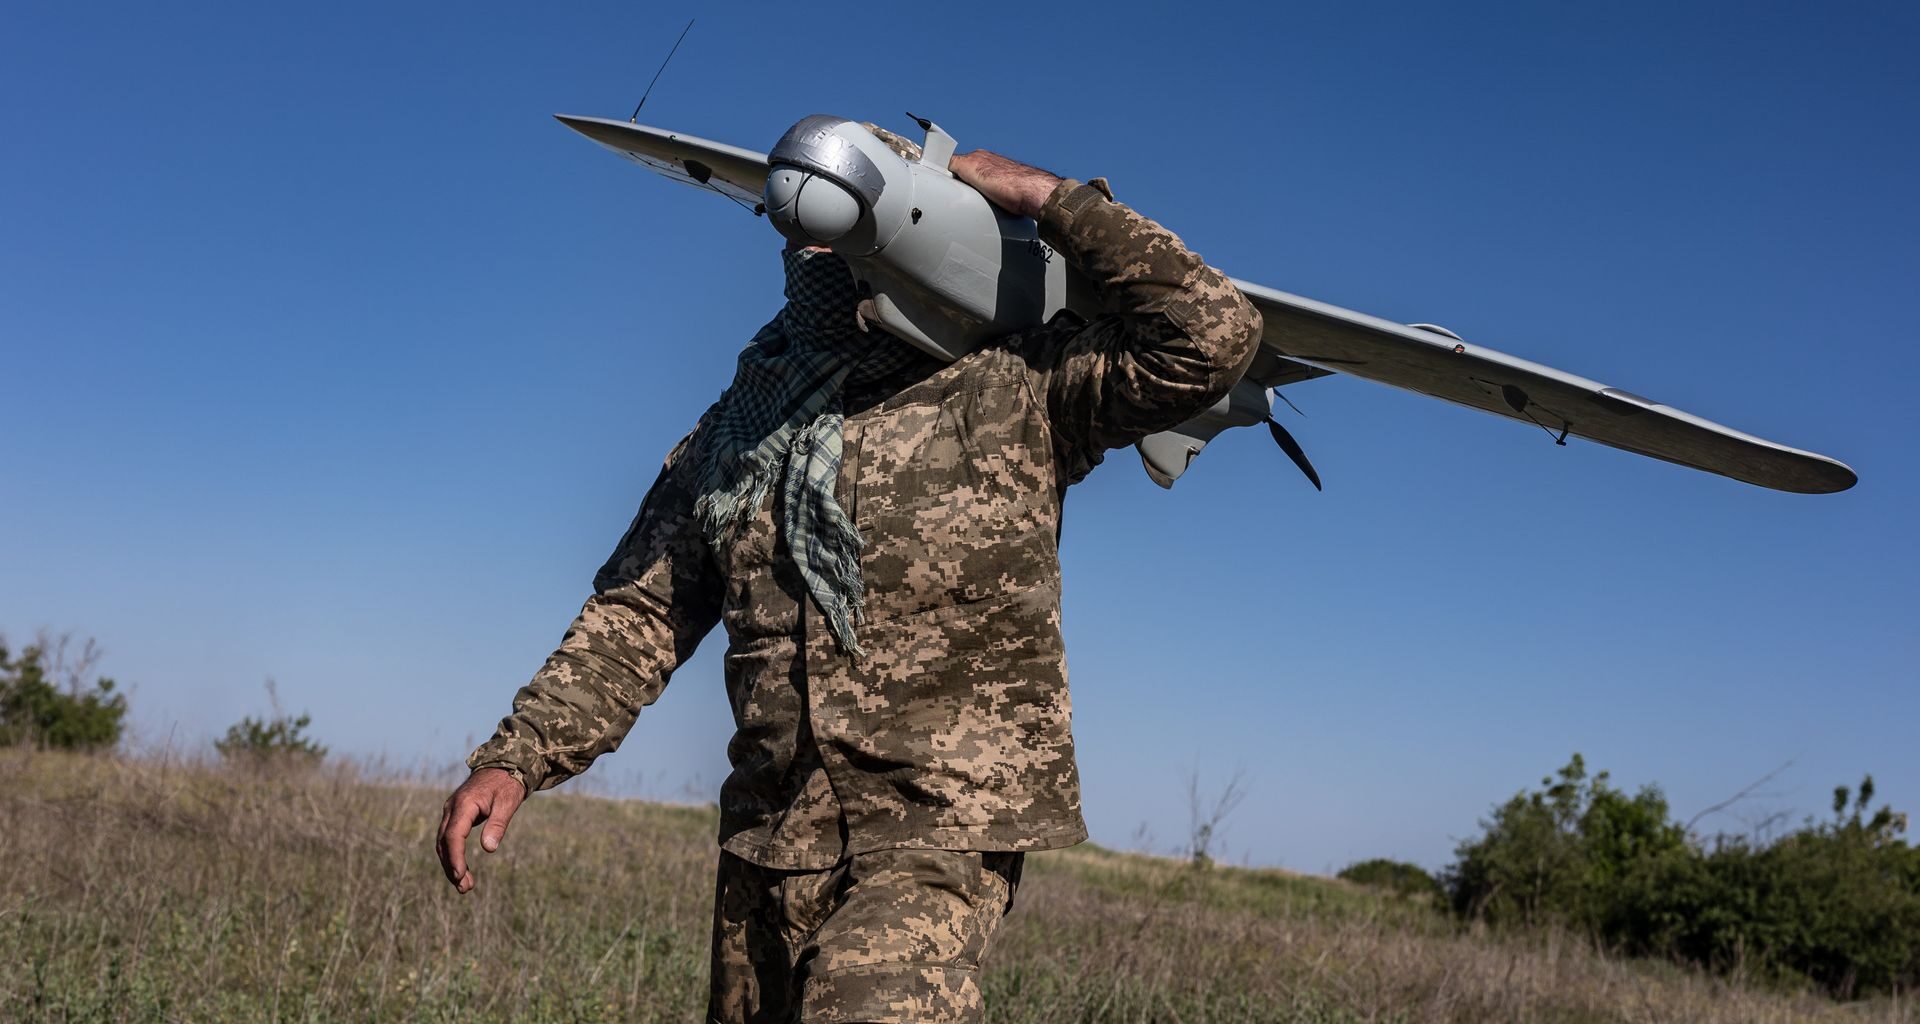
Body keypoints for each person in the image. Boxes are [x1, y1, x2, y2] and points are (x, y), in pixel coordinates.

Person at [435, 128, 1263, 1023]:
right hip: (770, 838)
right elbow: (640, 612)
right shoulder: (739, 431)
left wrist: (1046, 197)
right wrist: (516, 759)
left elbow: (1213, 332)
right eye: (801, 228)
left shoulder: (1016, 391)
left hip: (934, 830)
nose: (819, 244)